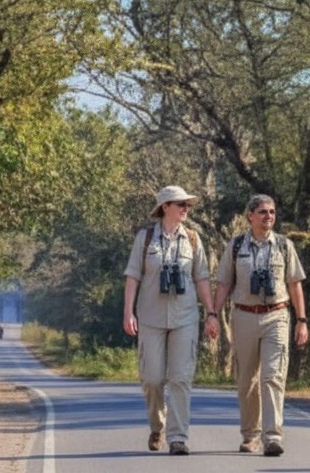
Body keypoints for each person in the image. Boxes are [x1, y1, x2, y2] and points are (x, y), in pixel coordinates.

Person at [123, 185, 218, 456]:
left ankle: (178, 437)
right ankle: (158, 426)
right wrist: (128, 312)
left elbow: (202, 278)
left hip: (185, 317)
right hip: (150, 317)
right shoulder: (145, 238)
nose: (186, 209)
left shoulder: (193, 239)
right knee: (152, 378)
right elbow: (133, 276)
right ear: (165, 207)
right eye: (180, 204)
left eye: (187, 205)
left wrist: (211, 313)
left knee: (180, 378)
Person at [211, 194, 308, 457]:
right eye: (263, 212)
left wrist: (301, 320)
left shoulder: (284, 245)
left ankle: (273, 437)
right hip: (244, 315)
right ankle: (250, 435)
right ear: (250, 216)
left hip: (277, 315)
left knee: (272, 376)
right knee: (248, 380)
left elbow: (294, 284)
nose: (269, 216)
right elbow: (224, 283)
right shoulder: (236, 245)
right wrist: (212, 314)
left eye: (272, 212)